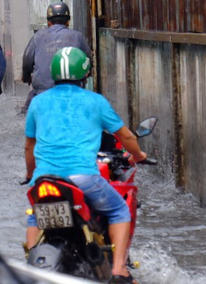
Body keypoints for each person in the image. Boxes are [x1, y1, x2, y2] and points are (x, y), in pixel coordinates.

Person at [23, 47, 147, 284]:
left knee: (35, 216)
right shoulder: (95, 101)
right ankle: (120, 270)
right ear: (85, 75)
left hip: (44, 179)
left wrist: (31, 175)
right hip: (83, 178)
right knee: (119, 210)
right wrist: (138, 155)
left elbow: (29, 147)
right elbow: (127, 137)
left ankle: (30, 270)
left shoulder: (38, 102)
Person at [21, 1, 92, 110]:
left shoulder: (37, 37)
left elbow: (27, 62)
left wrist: (26, 77)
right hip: (73, 94)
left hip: (42, 92)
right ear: (68, 21)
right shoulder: (77, 36)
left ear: (48, 22)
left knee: (26, 114)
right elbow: (88, 61)